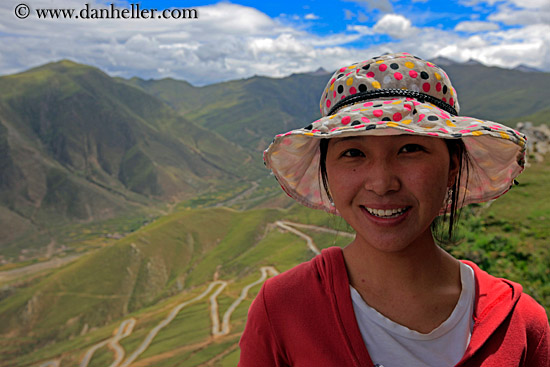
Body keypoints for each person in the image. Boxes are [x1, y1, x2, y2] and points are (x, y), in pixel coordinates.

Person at [238, 52, 549, 366]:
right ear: (326, 171)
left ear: (452, 165)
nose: (382, 183)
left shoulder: (520, 324)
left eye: (410, 148)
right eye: (353, 152)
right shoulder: (283, 308)